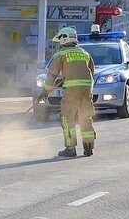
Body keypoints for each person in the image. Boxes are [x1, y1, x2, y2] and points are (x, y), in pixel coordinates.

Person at [35, 27, 96, 157]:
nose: (60, 44)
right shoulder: (85, 53)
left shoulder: (61, 54)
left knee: (67, 118)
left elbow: (51, 75)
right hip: (87, 90)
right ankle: (89, 146)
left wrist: (45, 92)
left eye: (60, 41)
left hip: (71, 92)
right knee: (85, 117)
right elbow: (91, 72)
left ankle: (70, 148)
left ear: (64, 38)